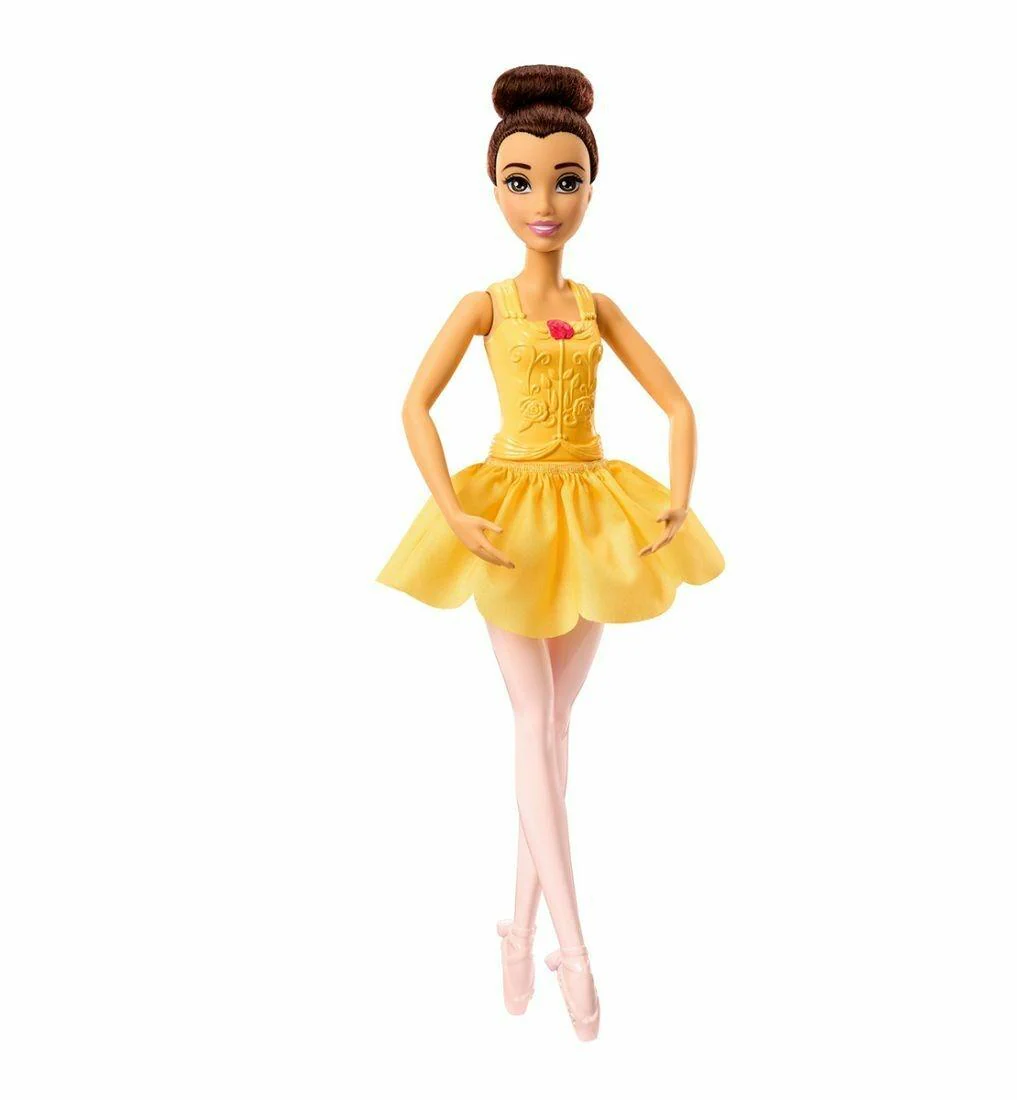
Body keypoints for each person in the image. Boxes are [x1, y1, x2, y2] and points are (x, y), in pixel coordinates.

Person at [377, 64, 724, 1040]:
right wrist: (451, 510)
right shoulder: (483, 305)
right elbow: (414, 405)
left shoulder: (599, 306)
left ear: (589, 188)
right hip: (508, 519)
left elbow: (678, 403)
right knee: (533, 718)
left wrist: (679, 496)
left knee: (556, 725)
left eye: (565, 180)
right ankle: (575, 945)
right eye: (521, 180)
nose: (544, 201)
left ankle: (518, 928)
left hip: (592, 508)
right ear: (493, 187)